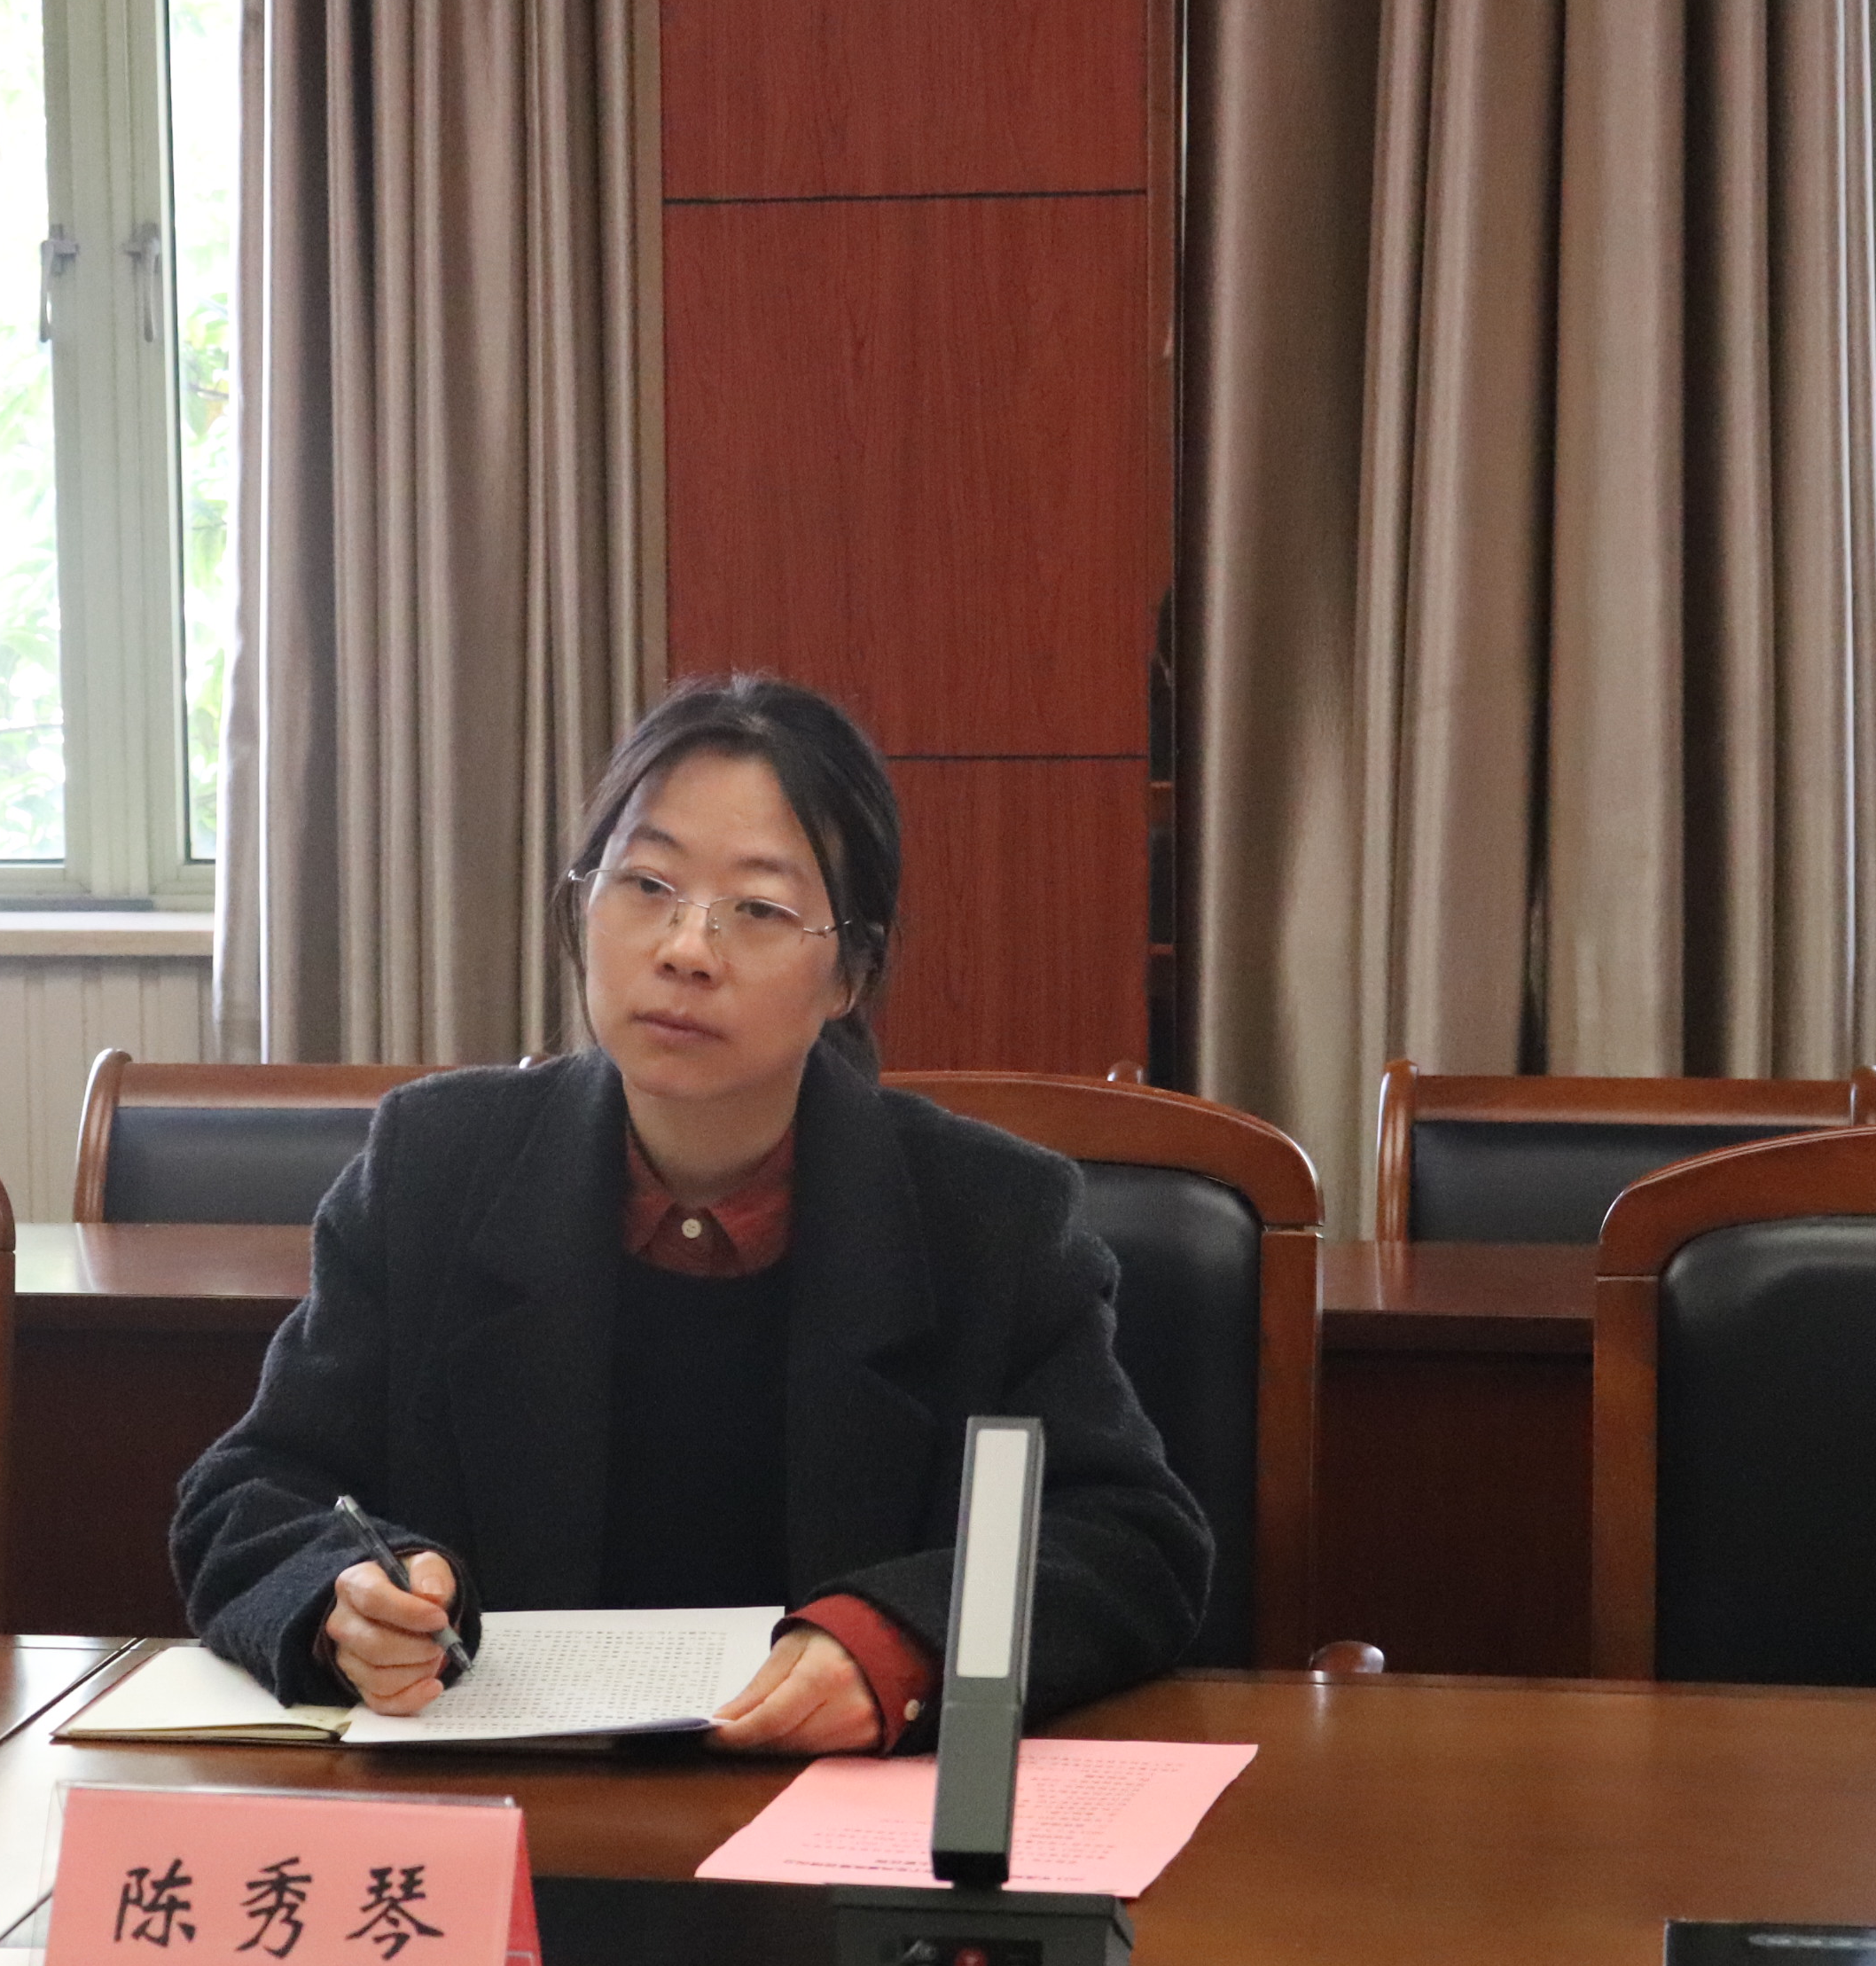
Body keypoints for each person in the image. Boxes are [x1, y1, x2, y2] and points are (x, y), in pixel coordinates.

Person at [171, 674, 1209, 1753]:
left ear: (850, 972)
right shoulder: (435, 1168)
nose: (685, 948)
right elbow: (249, 1490)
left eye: (757, 908)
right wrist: (343, 1598)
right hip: (510, 1802)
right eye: (647, 884)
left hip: (831, 1811)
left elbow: (1129, 1538)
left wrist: (899, 1645)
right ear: (583, 907)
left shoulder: (989, 1217)